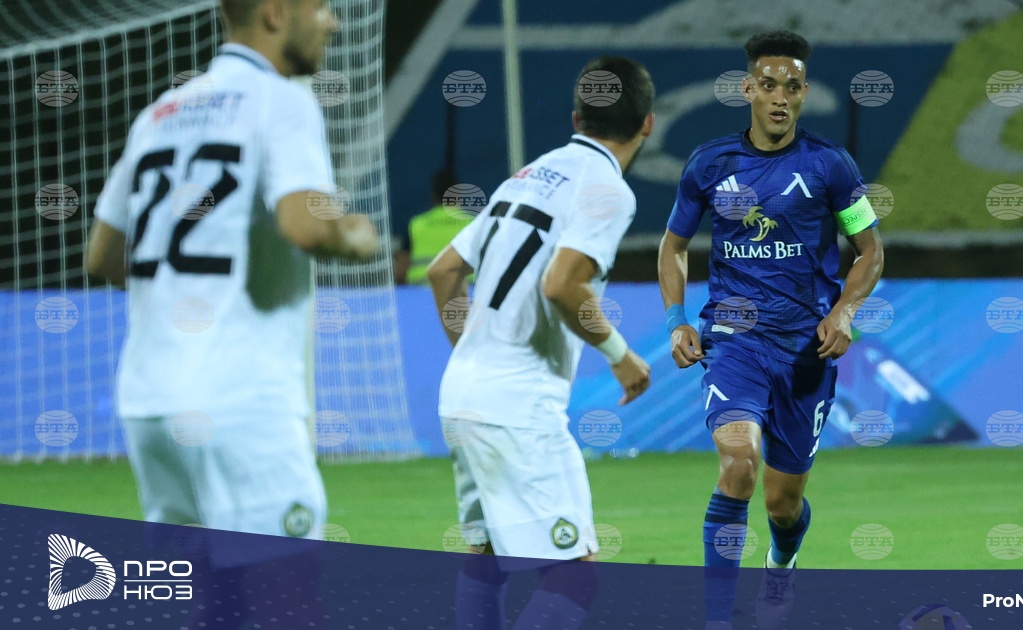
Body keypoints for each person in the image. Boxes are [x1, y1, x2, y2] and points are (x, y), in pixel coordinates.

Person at [85, 0, 378, 625]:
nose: (332, 22)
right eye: (319, 7)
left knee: (211, 610)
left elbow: (102, 256)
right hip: (241, 402)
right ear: (274, 13)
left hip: (151, 402)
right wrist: (356, 236)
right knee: (286, 607)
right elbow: (306, 225)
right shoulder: (282, 100)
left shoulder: (160, 114)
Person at [657, 31, 884, 630]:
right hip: (734, 341)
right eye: (768, 85)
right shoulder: (710, 163)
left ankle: (781, 563)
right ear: (747, 90)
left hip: (806, 352)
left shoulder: (831, 165)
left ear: (804, 94)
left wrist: (844, 312)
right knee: (738, 463)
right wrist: (677, 320)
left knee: (783, 505)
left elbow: (871, 250)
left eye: (792, 87)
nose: (780, 97)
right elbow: (673, 246)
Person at [427, 56, 654, 630]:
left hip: (463, 393)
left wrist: (474, 352)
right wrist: (621, 356)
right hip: (519, 406)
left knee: (487, 558)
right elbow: (562, 284)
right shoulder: (608, 189)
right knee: (574, 576)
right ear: (647, 124)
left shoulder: (527, 175)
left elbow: (443, 270)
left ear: (577, 117)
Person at [392, 168, 470, 285]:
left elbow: (400, 269)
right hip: (465, 289)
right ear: (458, 194)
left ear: (433, 195)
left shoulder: (416, 224)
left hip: (421, 290)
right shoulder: (472, 223)